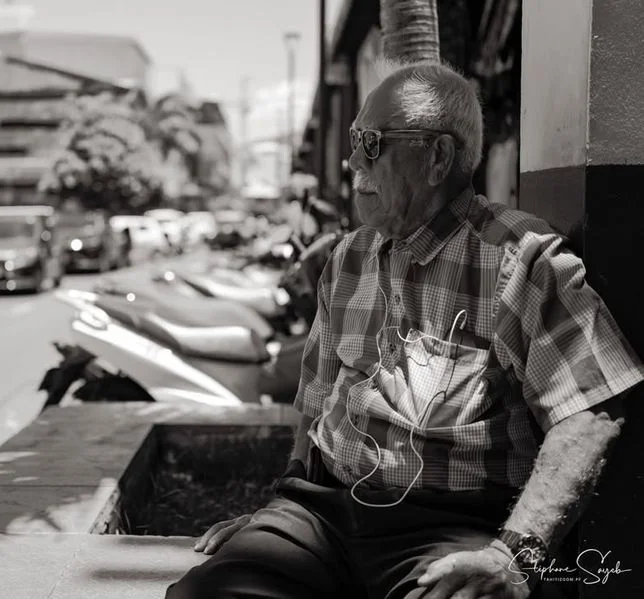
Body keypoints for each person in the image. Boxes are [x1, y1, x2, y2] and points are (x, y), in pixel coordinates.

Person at [165, 59, 644, 599]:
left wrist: (515, 554)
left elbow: (591, 412)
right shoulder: (348, 257)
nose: (351, 161)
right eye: (354, 141)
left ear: (437, 156)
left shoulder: (521, 262)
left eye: (370, 142)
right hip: (324, 513)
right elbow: (317, 403)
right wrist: (276, 515)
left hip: (446, 528)